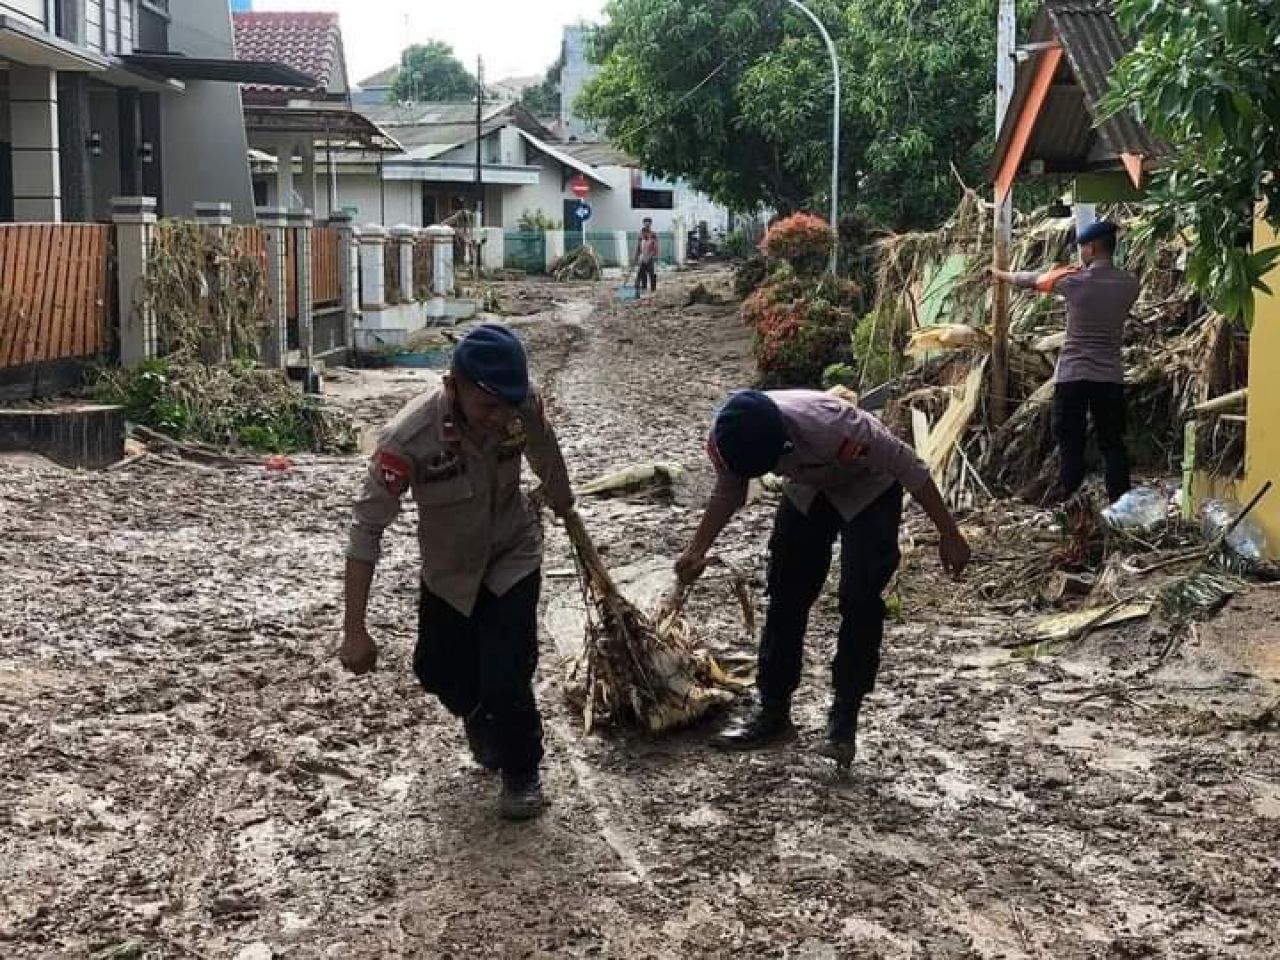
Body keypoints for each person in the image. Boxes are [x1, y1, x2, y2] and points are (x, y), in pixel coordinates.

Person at [340, 324, 575, 821]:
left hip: (512, 556)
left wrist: (565, 506)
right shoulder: (409, 439)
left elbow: (545, 453)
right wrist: (354, 629)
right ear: (453, 387)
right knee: (435, 667)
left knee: (507, 673)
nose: (501, 418)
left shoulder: (520, 406)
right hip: (448, 571)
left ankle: (521, 772)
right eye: (488, 407)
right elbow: (366, 530)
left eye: (508, 407)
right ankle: (478, 719)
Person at [675, 390, 971, 763]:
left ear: (784, 441)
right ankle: (773, 712)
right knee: (786, 591)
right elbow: (729, 492)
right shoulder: (729, 438)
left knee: (860, 597)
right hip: (807, 488)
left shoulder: (838, 427)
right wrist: (697, 549)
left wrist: (950, 534)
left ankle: (843, 721)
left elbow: (911, 467)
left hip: (869, 486)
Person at [988, 219, 1140, 503]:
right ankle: (1121, 504)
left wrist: (1000, 274)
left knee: (1071, 442)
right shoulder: (1130, 285)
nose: (1081, 253)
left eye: (1082, 248)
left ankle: (1072, 503)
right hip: (1110, 377)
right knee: (1113, 443)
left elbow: (1032, 279)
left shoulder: (1074, 281)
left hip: (1073, 375)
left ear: (1092, 249)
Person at [635, 218, 660, 293]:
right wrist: (636, 257)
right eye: (645, 222)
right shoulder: (640, 234)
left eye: (648, 222)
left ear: (650, 224)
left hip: (651, 257)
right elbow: (638, 247)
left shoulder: (653, 234)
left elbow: (656, 247)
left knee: (652, 274)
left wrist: (654, 256)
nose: (647, 224)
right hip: (643, 257)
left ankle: (653, 289)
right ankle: (644, 287)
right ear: (643, 223)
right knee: (641, 274)